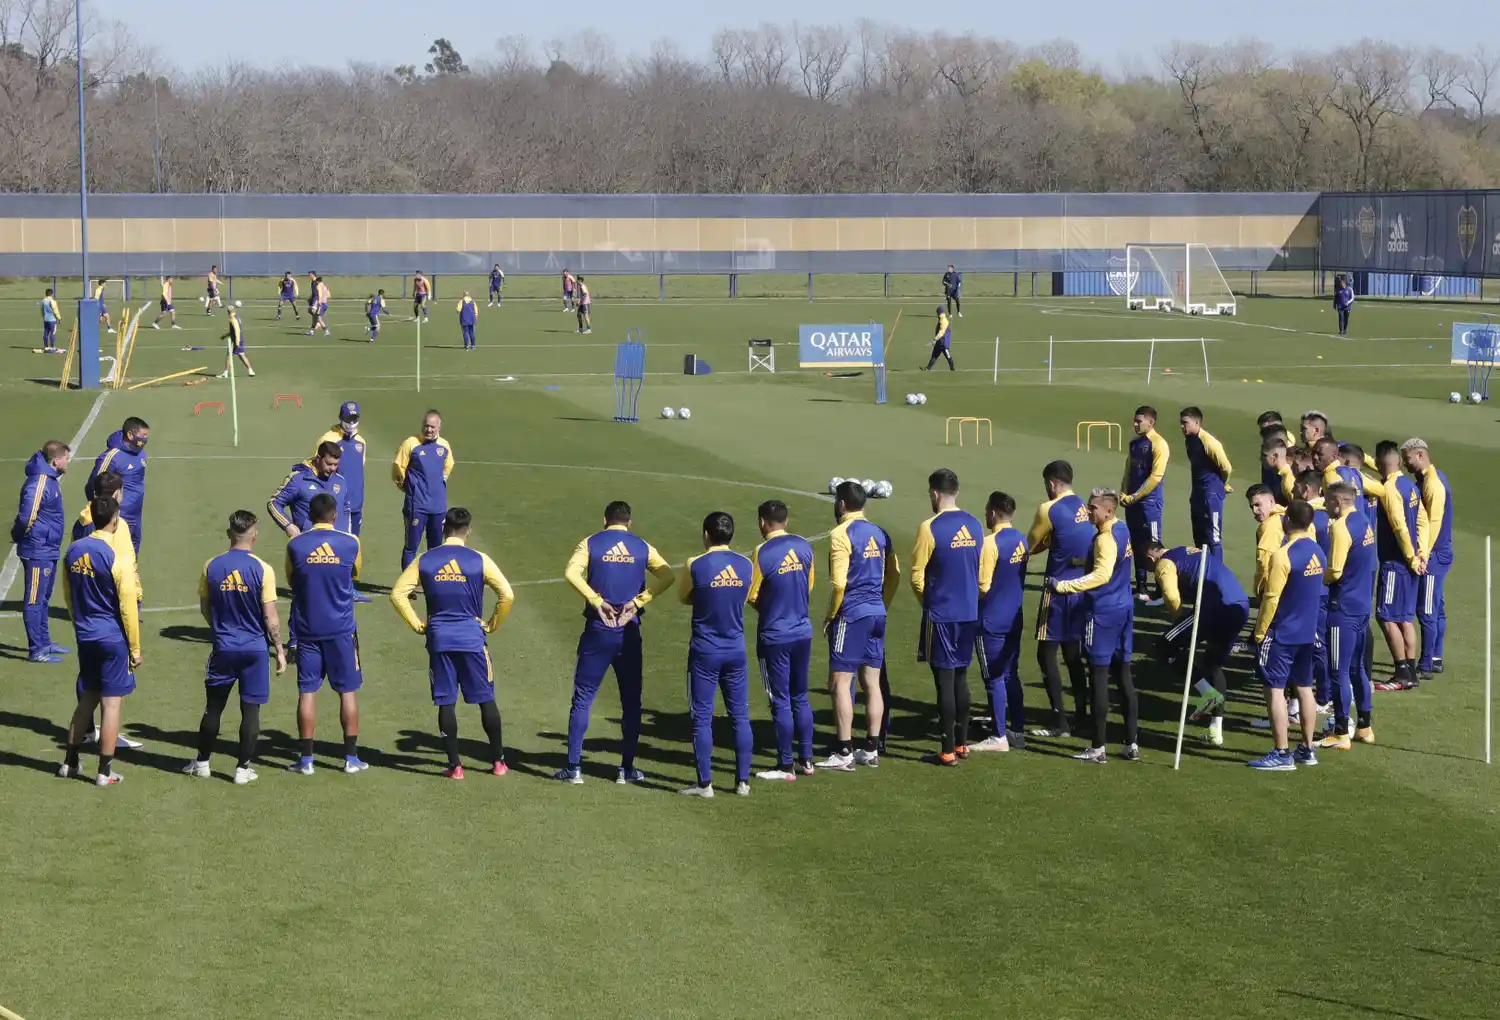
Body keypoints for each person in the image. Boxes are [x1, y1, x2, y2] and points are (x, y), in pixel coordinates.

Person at [555, 500, 675, 785]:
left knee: (583, 699)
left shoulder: (591, 542)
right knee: (631, 702)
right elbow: (668, 575)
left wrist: (596, 601)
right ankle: (626, 769)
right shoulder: (642, 546)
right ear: (629, 522)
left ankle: (574, 768)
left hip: (598, 629)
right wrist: (638, 601)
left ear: (604, 520)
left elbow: (571, 573)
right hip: (629, 630)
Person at [391, 507, 514, 779]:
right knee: (486, 699)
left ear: (444, 529)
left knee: (446, 701)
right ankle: (498, 762)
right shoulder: (479, 559)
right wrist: (492, 624)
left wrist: (419, 624)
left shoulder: (425, 559)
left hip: (439, 639)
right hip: (472, 638)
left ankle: (455, 766)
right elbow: (506, 595)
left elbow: (398, 594)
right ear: (468, 531)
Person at [181, 510, 286, 785]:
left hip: (224, 648)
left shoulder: (211, 565)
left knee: (213, 707)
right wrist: (280, 649)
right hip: (255, 650)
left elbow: (205, 606)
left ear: (230, 534)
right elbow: (270, 617)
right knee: (250, 711)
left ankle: (202, 762)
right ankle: (242, 769)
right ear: (255, 535)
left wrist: (219, 629)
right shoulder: (263, 568)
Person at [57, 497, 142, 786]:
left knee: (87, 699)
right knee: (112, 704)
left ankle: (70, 763)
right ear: (115, 521)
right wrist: (135, 647)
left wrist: (78, 622)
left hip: (85, 635)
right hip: (112, 638)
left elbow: (67, 593)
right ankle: (104, 772)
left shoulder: (72, 551)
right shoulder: (115, 556)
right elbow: (128, 606)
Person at [1050, 488, 1138, 764]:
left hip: (1102, 613)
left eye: (1092, 508)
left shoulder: (1105, 539)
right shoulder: (1123, 530)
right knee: (1124, 676)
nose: (1087, 512)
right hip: (1124, 608)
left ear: (1108, 511)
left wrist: (1064, 585)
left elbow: (1101, 574)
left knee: (1098, 677)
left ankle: (1098, 748)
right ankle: (1131, 743)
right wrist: (1079, 562)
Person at [285, 494, 366, 775]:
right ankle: (351, 758)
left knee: (307, 691)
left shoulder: (295, 545)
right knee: (347, 691)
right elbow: (354, 573)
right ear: (334, 516)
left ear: (309, 515)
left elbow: (291, 579)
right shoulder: (351, 543)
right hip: (342, 630)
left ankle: (306, 760)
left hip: (307, 629)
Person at [820, 481, 898, 771]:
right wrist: (882, 604)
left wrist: (830, 615)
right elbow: (895, 575)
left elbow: (839, 583)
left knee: (840, 682)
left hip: (851, 614)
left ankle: (843, 752)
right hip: (877, 612)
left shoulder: (840, 534)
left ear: (840, 505)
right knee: (872, 683)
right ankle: (871, 748)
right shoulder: (880, 532)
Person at [677, 511, 754, 798]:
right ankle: (743, 782)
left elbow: (684, 596)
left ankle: (705, 784)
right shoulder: (746, 565)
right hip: (735, 649)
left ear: (706, 534)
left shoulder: (695, 564)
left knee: (702, 717)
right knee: (740, 716)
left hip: (705, 651)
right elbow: (746, 596)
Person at [910, 469, 983, 765]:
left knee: (944, 681)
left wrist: (928, 602)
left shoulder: (930, 527)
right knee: (962, 678)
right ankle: (963, 744)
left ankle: (947, 750)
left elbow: (916, 576)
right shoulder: (975, 525)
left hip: (941, 614)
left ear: (936, 494)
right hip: (968, 612)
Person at [1247, 499, 1324, 771]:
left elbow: (1271, 598)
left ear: (1287, 521)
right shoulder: (1318, 551)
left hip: (1282, 633)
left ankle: (1281, 753)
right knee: (1304, 687)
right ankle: (1306, 748)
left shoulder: (1283, 554)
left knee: (1275, 690)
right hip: (1307, 632)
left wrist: (1259, 632)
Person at [71, 470, 145, 750]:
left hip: (85, 608)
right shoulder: (116, 526)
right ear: (116, 494)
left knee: (88, 673)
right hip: (112, 609)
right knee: (114, 681)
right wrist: (135, 598)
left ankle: (87, 731)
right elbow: (124, 566)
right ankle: (107, 738)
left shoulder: (81, 521)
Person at [1149, 541, 1249, 746]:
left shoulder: (1164, 562)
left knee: (1163, 647)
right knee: (1213, 664)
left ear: (1151, 559)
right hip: (1240, 606)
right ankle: (1216, 730)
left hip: (1213, 608)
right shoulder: (1187, 551)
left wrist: (1178, 619)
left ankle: (1207, 694)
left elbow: (1170, 594)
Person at [747, 500, 815, 781]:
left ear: (763, 522)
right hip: (802, 631)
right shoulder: (804, 546)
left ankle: (785, 765)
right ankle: (807, 760)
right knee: (800, 695)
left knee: (780, 699)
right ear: (785, 520)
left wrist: (772, 607)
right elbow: (809, 585)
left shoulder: (762, 552)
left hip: (774, 635)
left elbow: (752, 595)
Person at [1027, 460, 1094, 739]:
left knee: (1045, 654)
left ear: (1052, 484)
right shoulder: (1082, 505)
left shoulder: (1049, 509)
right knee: (1073, 655)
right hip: (1080, 589)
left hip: (1056, 591)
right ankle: (1082, 717)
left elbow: (1029, 544)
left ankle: (1059, 722)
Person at [1322, 483, 1378, 749]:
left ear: (1337, 501)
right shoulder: (1364, 521)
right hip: (1361, 607)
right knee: (1358, 670)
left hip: (1341, 609)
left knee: (1338, 671)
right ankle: (1365, 727)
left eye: (1327, 500)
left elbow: (1334, 570)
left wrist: (1313, 577)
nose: (1324, 505)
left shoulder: (1341, 528)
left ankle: (1341, 731)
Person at [973, 491, 1028, 751]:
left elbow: (983, 586)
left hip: (991, 621)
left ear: (993, 513)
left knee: (993, 677)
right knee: (1010, 675)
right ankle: (1016, 728)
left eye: (986, 510)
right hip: (1014, 617)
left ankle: (998, 736)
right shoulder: (1022, 540)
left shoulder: (989, 543)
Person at [12, 440, 70, 662]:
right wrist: (21, 537)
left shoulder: (51, 480)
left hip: (48, 548)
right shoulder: (40, 484)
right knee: (35, 600)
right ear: (56, 461)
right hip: (38, 551)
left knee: (43, 599)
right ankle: (36, 650)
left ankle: (45, 642)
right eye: (66, 458)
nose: (68, 462)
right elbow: (26, 517)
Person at [1371, 440, 1422, 690]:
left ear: (1381, 464)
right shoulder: (1409, 486)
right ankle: (1411, 672)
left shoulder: (1389, 489)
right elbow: (1420, 518)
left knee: (1385, 616)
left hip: (1395, 562)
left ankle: (1401, 671)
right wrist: (1420, 554)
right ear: (1399, 461)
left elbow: (1400, 526)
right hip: (1412, 563)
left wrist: (1411, 556)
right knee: (1405, 617)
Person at [1403, 437, 1451, 682]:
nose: (1405, 463)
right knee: (1437, 609)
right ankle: (1435, 658)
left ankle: (1426, 664)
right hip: (1438, 554)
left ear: (1420, 455)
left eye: (1407, 458)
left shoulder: (1433, 484)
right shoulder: (1428, 479)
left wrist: (1423, 554)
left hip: (1433, 556)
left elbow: (1433, 523)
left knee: (1427, 611)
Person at [1119, 405, 1170, 604]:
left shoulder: (1159, 444)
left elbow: (1155, 477)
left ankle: (1160, 590)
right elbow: (1128, 470)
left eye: (1139, 421)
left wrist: (1135, 496)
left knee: (1154, 546)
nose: (1135, 424)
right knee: (1135, 543)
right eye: (1135, 420)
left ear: (1151, 422)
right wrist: (1124, 492)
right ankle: (1141, 587)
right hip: (1133, 503)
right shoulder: (1134, 443)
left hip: (1150, 504)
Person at [393, 410, 454, 569]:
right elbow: (398, 468)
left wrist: (441, 481)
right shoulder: (411, 444)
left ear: (439, 427)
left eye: (433, 427)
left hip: (438, 506)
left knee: (435, 548)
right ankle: (408, 588)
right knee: (411, 547)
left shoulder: (444, 446)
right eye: (426, 426)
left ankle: (432, 583)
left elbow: (448, 466)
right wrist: (407, 488)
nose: (429, 430)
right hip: (417, 505)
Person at [84, 417, 149, 552]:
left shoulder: (140, 452)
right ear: (131, 435)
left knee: (132, 555)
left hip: (136, 516)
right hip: (117, 517)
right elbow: (92, 485)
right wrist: (103, 511)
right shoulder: (112, 456)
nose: (145, 440)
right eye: (143, 436)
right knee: (115, 556)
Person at [1179, 406, 1231, 563]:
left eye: (1185, 423)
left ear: (1197, 422)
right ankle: (1202, 573)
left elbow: (1226, 467)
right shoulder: (1189, 440)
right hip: (1198, 494)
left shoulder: (1208, 441)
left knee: (1213, 537)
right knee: (1199, 535)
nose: (1182, 427)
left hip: (1211, 495)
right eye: (1181, 423)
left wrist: (1222, 484)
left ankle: (1216, 576)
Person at [268, 442, 349, 539]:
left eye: (335, 465)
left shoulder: (340, 481)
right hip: (309, 543)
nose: (332, 468)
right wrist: (288, 525)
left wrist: (347, 533)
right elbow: (274, 503)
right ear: (318, 458)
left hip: (337, 543)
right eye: (329, 464)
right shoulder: (299, 479)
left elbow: (345, 509)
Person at [316, 402, 368, 536]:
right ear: (340, 417)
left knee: (354, 544)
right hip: (335, 504)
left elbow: (359, 470)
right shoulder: (328, 439)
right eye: (348, 419)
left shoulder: (361, 442)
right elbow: (316, 469)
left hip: (356, 503)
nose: (351, 423)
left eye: (354, 419)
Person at [1247, 484, 1286, 597]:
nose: (1255, 510)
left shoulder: (1269, 526)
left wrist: (1260, 588)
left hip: (1275, 588)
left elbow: (1264, 561)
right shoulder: (1286, 515)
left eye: (1258, 505)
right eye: (1252, 507)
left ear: (1271, 501)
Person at [219, 306, 255, 378]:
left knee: (229, 355)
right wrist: (225, 335)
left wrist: (237, 342)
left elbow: (237, 330)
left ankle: (225, 373)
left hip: (236, 340)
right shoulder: (237, 316)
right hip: (240, 338)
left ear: (228, 311)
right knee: (241, 354)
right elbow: (233, 330)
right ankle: (250, 370)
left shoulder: (233, 318)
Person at [922, 306, 955, 372]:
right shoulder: (941, 320)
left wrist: (934, 340)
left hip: (943, 343)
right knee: (934, 356)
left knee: (948, 357)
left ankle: (952, 369)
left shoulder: (944, 321)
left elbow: (941, 332)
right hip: (939, 342)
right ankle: (928, 368)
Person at [39, 287, 61, 353]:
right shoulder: (53, 301)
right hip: (52, 319)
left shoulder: (43, 301)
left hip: (46, 319)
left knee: (46, 332)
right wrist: (59, 318)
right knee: (52, 332)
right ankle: (52, 347)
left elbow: (42, 311)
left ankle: (46, 346)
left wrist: (44, 317)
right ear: (51, 294)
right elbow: (55, 310)